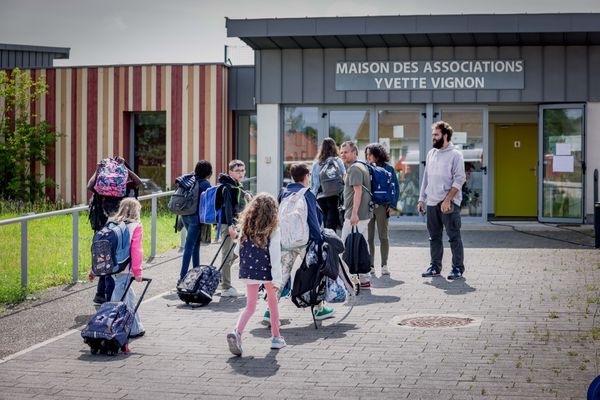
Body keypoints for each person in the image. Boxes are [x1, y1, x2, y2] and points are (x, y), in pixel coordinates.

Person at [262, 163, 334, 326]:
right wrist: (319, 240)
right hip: (304, 242)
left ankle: (269, 310)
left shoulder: (284, 192)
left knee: (281, 275)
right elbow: (313, 221)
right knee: (316, 272)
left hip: (285, 241)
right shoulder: (307, 193)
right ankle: (319, 308)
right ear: (307, 176)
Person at [226, 193, 285, 356]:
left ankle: (237, 332)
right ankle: (276, 337)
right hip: (267, 272)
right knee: (272, 304)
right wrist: (277, 281)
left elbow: (238, 250)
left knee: (250, 306)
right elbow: (275, 256)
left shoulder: (246, 228)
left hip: (248, 270)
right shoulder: (273, 229)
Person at [88, 197, 146, 338]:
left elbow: (102, 247)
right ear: (135, 211)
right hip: (125, 267)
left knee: (128, 295)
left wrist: (93, 269)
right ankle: (111, 328)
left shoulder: (111, 222)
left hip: (112, 266)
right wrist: (137, 272)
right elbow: (136, 251)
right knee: (118, 299)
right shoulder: (135, 226)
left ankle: (136, 328)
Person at [87, 156, 142, 304]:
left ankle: (100, 294)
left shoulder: (102, 186)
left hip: (103, 228)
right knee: (113, 259)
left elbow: (89, 185)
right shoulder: (121, 185)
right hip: (118, 229)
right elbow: (138, 183)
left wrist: (98, 169)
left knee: (104, 257)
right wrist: (125, 168)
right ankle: (108, 296)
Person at [418, 121, 467, 280]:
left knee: (453, 237)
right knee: (434, 237)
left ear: (445, 135)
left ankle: (457, 268)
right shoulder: (431, 153)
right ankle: (435, 267)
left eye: (436, 135)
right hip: (432, 202)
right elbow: (426, 177)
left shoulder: (456, 155)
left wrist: (448, 200)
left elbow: (460, 179)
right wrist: (421, 199)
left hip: (448, 203)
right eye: (433, 135)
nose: (433, 138)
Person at [339, 141, 373, 289]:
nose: (343, 155)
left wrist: (353, 214)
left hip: (356, 215)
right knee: (362, 246)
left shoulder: (354, 169)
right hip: (363, 214)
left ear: (354, 153)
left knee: (343, 245)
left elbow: (358, 192)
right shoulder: (362, 166)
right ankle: (365, 279)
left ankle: (344, 279)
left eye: (346, 152)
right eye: (341, 152)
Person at [215, 160, 250, 297]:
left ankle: (222, 279)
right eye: (237, 171)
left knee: (238, 251)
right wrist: (230, 226)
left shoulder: (236, 186)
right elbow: (228, 207)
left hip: (235, 223)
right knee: (227, 255)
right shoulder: (228, 186)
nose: (241, 173)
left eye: (242, 170)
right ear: (230, 172)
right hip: (227, 224)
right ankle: (226, 287)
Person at [365, 143, 400, 277]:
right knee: (369, 237)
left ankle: (384, 265)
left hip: (383, 206)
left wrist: (392, 205)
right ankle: (371, 265)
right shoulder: (366, 168)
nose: (368, 157)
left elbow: (396, 188)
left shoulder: (389, 168)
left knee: (383, 236)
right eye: (366, 154)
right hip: (368, 206)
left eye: (370, 154)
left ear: (377, 154)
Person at [179, 160, 213, 283]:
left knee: (195, 244)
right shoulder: (205, 184)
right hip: (195, 218)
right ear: (209, 172)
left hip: (185, 215)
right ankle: (182, 276)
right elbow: (210, 204)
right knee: (189, 246)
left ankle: (196, 270)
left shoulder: (190, 181)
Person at [310, 138, 346, 230]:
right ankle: (332, 242)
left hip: (321, 197)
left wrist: (312, 197)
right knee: (332, 223)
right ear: (334, 148)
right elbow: (344, 178)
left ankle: (325, 242)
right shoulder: (338, 161)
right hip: (335, 196)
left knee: (323, 222)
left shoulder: (317, 164)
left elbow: (315, 184)